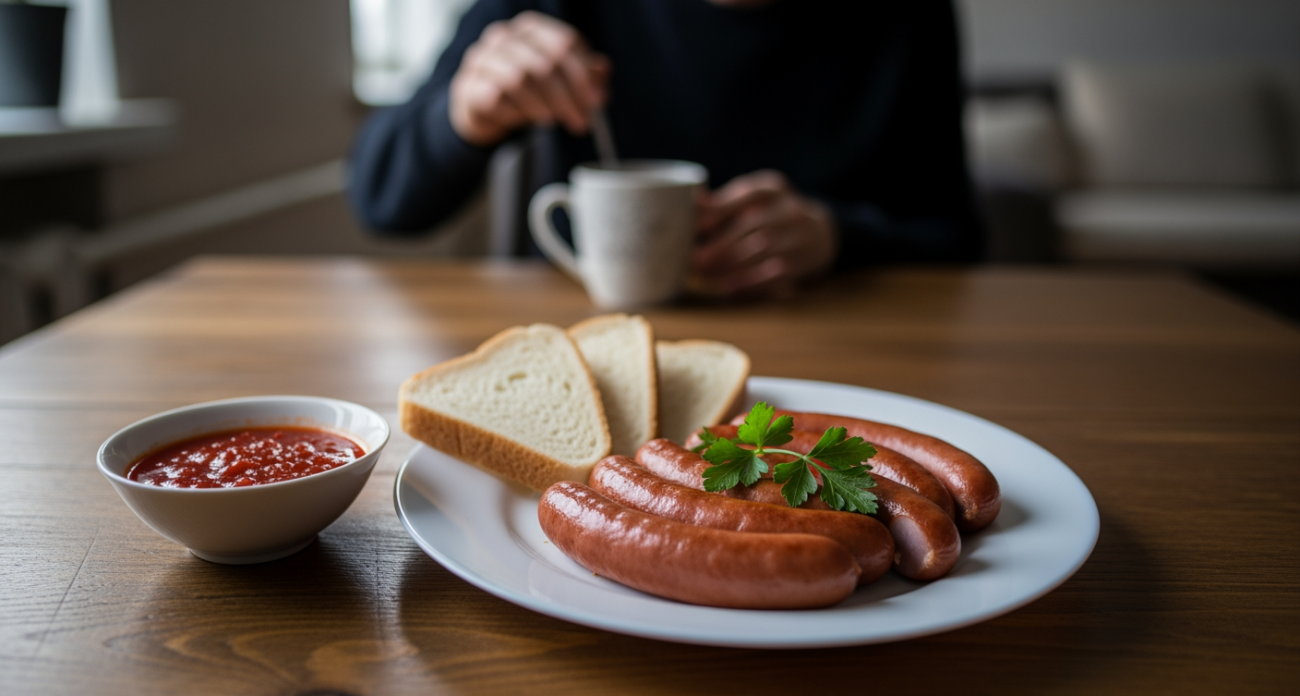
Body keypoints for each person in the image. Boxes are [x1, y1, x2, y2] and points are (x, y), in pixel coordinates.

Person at [349, 0, 982, 298]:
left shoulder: (907, 17)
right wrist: (464, 113)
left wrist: (839, 237)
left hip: (848, 356)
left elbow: (958, 237)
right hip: (597, 345)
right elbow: (380, 196)